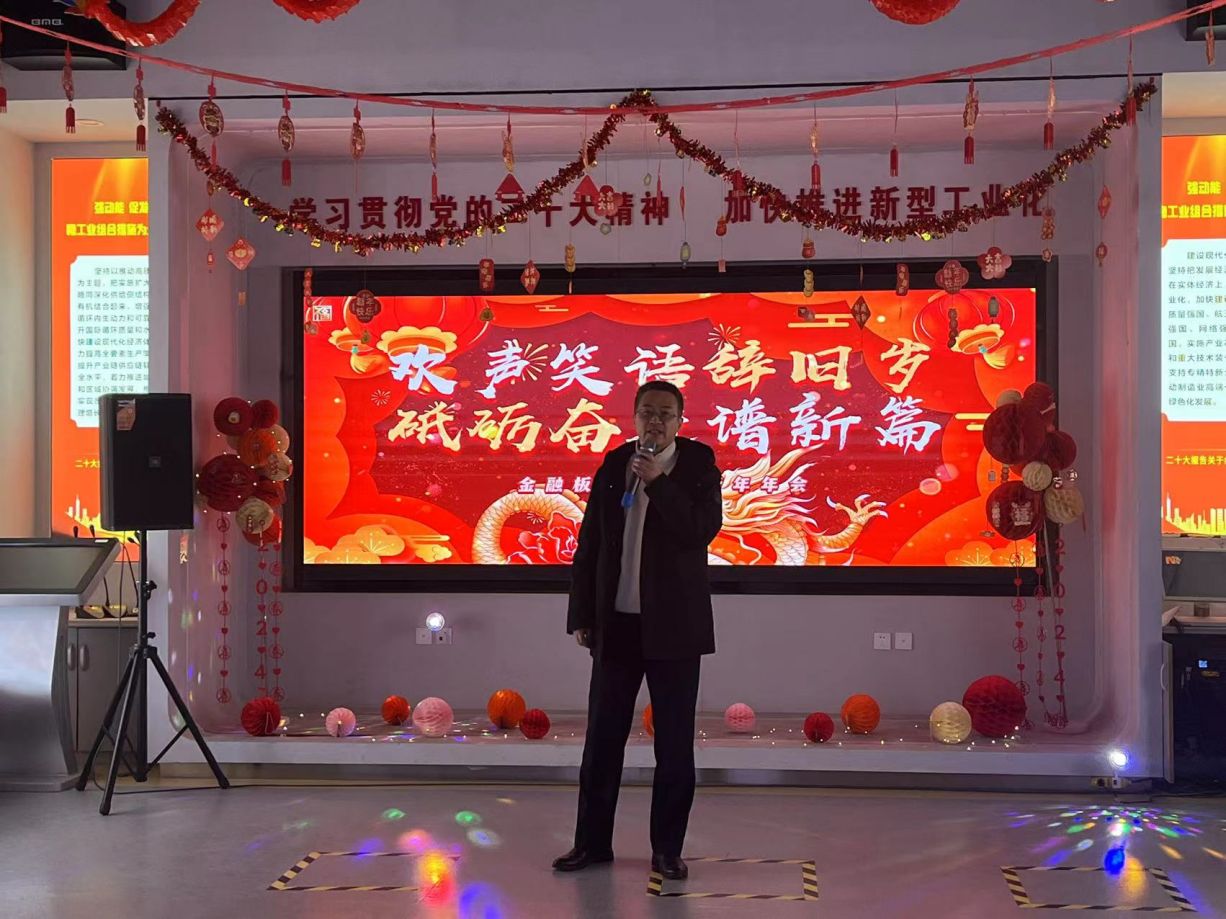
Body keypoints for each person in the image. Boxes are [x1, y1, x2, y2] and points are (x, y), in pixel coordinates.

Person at [552, 380, 723, 881]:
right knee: (602, 741)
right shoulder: (614, 465)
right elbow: (589, 545)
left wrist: (658, 482)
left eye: (665, 414)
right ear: (634, 417)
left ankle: (667, 850)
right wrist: (583, 615)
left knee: (674, 745)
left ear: (680, 421)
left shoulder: (697, 465)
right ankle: (590, 843)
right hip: (617, 625)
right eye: (647, 412)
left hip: (675, 629)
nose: (655, 421)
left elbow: (701, 531)